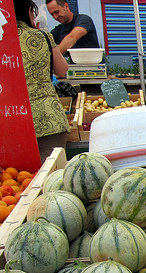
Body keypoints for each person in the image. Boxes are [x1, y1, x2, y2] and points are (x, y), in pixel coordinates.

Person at [15, 0, 70, 161]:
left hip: (14, 120)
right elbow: (62, 69)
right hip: (49, 117)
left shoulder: (4, 40)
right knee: (53, 175)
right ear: (28, 12)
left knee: (20, 178)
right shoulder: (42, 37)